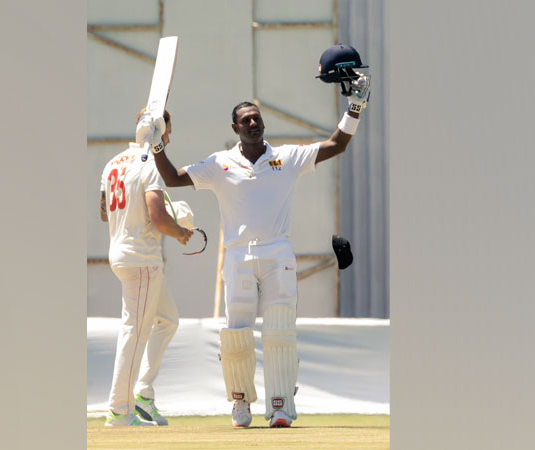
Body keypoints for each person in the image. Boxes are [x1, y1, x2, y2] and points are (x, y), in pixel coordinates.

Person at [140, 68, 370, 428]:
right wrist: (157, 146)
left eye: (257, 119)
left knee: (280, 330)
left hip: (278, 255)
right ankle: (240, 403)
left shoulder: (288, 158)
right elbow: (171, 178)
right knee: (237, 334)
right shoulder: (219, 163)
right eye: (246, 120)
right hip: (238, 257)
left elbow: (337, 144)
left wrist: (355, 104)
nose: (253, 124)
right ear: (235, 129)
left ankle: (280, 405)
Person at [100, 109, 193, 427]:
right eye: (169, 131)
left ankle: (142, 393)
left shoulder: (113, 163)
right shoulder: (150, 163)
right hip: (141, 258)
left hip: (122, 252)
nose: (170, 137)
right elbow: (157, 217)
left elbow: (104, 211)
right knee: (134, 332)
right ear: (161, 132)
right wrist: (180, 231)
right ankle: (119, 410)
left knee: (167, 321)